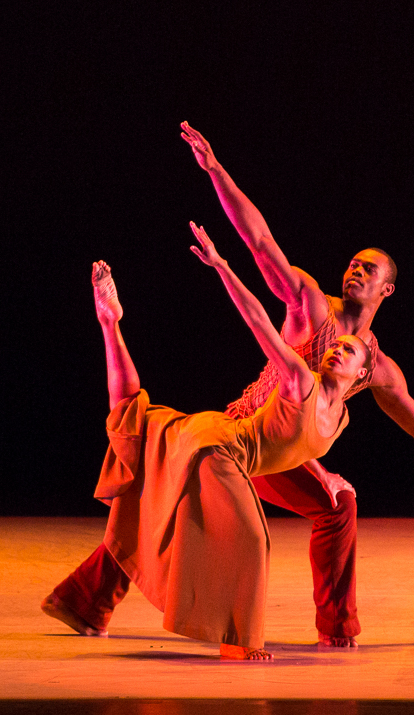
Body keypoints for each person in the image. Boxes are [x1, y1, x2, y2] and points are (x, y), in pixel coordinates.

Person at [179, 122, 414, 646]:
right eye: (352, 265)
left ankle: (336, 631)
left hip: (286, 452)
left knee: (337, 508)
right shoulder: (311, 305)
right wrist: (214, 169)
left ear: (388, 288)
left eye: (368, 269)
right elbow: (260, 241)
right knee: (176, 509)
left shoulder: (377, 368)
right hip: (244, 430)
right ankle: (91, 597)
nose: (355, 271)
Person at [46, 223, 370, 660]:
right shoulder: (299, 379)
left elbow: (302, 440)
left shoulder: (341, 416)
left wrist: (322, 473)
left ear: (362, 376)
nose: (336, 350)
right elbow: (258, 317)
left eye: (348, 351)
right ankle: (237, 643)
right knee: (250, 538)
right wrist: (221, 266)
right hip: (219, 447)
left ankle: (110, 323)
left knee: (144, 455)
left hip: (218, 441)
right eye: (335, 347)